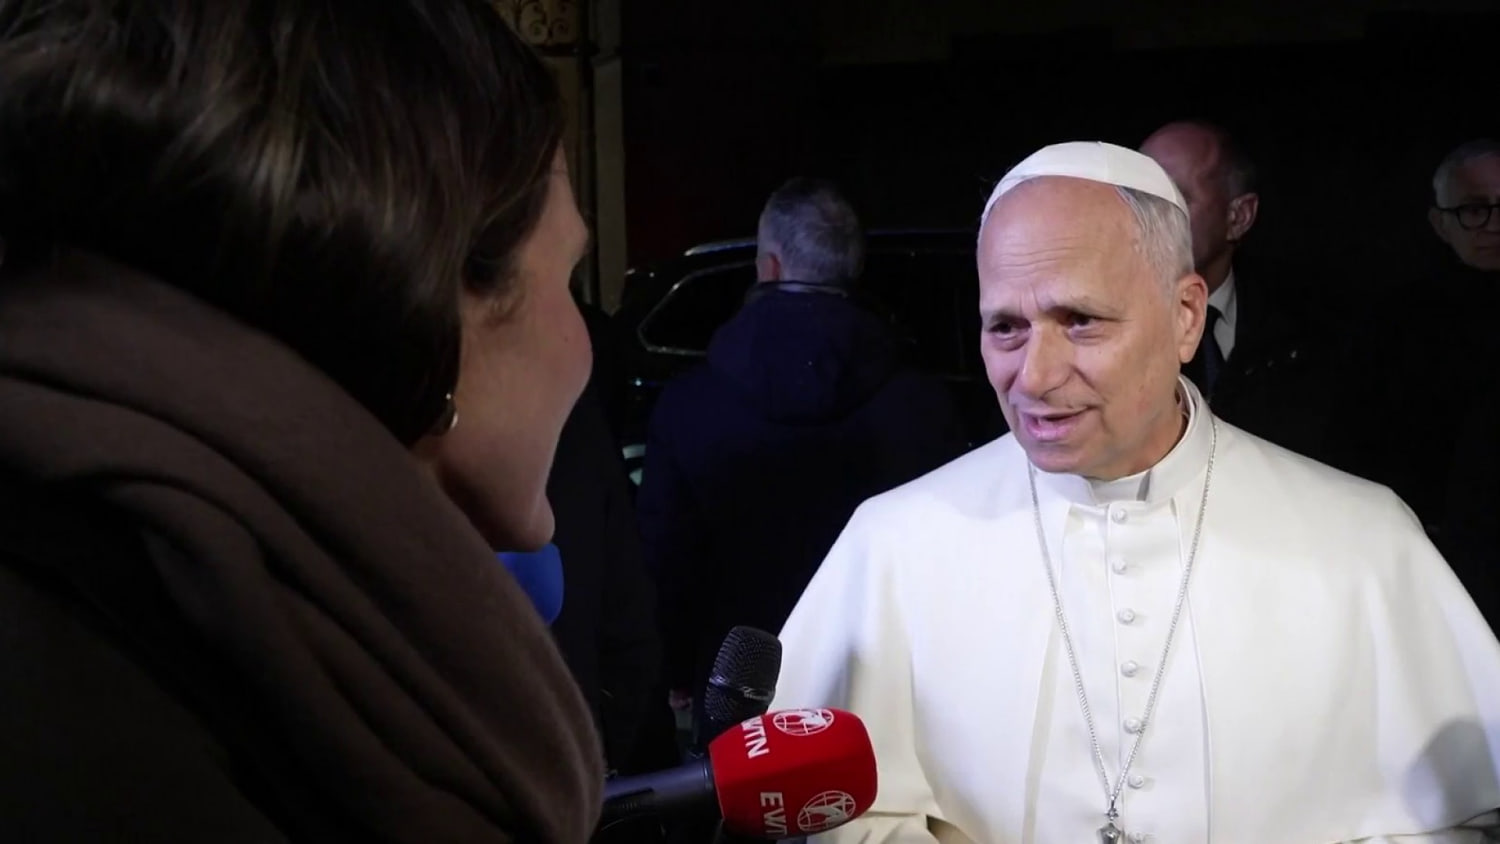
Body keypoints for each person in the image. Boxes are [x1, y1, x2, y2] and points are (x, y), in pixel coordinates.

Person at [770, 142, 1500, 843]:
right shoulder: (896, 542)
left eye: (1079, 321)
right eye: (1006, 327)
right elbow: (843, 811)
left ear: (1185, 316)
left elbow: (1446, 819)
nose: (1034, 375)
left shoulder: (1361, 539)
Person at [0, 1, 602, 841]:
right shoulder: (109, 730)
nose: (583, 345)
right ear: (442, 294)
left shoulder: (114, 592)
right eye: (568, 280)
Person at [636, 177, 965, 724]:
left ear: (769, 266)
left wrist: (673, 672)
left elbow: (666, 559)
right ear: (851, 268)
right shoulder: (923, 404)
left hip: (738, 690)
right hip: (879, 693)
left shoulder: (690, 403)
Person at [1139, 120, 1334, 461]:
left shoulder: (1309, 333)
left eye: (1175, 196)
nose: (1146, 215)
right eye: (1139, 196)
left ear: (1239, 216)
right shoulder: (1093, 327)